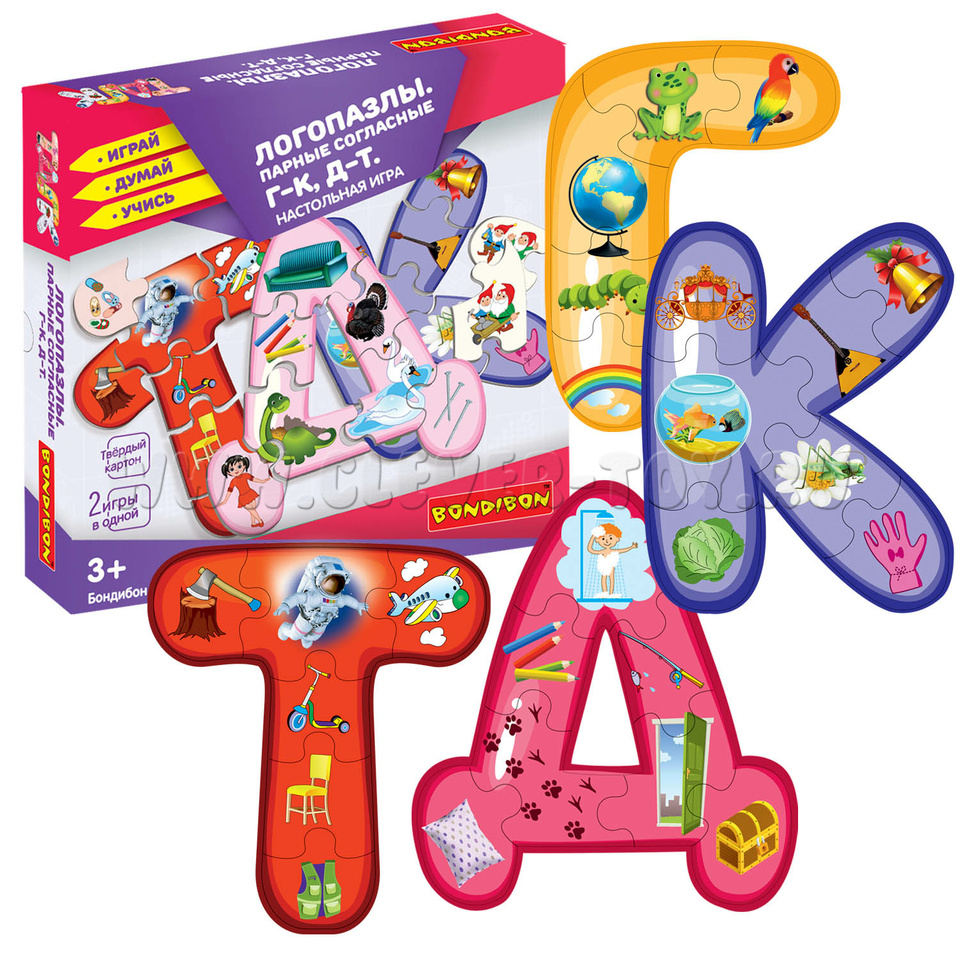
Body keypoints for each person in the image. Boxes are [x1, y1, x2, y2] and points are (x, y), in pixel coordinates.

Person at [585, 522, 638, 597]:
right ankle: (604, 593)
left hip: (611, 566)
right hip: (603, 566)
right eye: (603, 538)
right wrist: (593, 536)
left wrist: (631, 547)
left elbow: (623, 550)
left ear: (617, 539)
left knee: (611, 578)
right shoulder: (602, 551)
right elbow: (590, 549)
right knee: (604, 578)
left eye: (610, 538)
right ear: (598, 540)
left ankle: (611, 593)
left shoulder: (613, 551)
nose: (607, 541)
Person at [218, 454, 268, 528]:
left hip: (250, 493)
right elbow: (229, 491)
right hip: (243, 498)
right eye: (232, 469)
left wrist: (262, 481)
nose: (236, 470)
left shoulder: (246, 475)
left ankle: (253, 523)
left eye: (239, 466)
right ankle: (260, 521)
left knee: (253, 510)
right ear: (228, 472)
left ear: (244, 466)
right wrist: (225, 500)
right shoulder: (233, 481)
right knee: (252, 510)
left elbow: (254, 479)